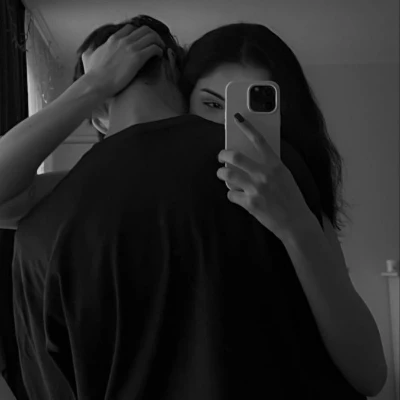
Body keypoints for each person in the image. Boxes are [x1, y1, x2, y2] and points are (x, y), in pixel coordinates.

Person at [0, 15, 386, 400]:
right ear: (178, 77)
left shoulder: (286, 184)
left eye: (256, 111)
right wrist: (95, 84)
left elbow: (369, 372)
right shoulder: (85, 191)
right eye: (213, 105)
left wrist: (297, 225)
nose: (233, 129)